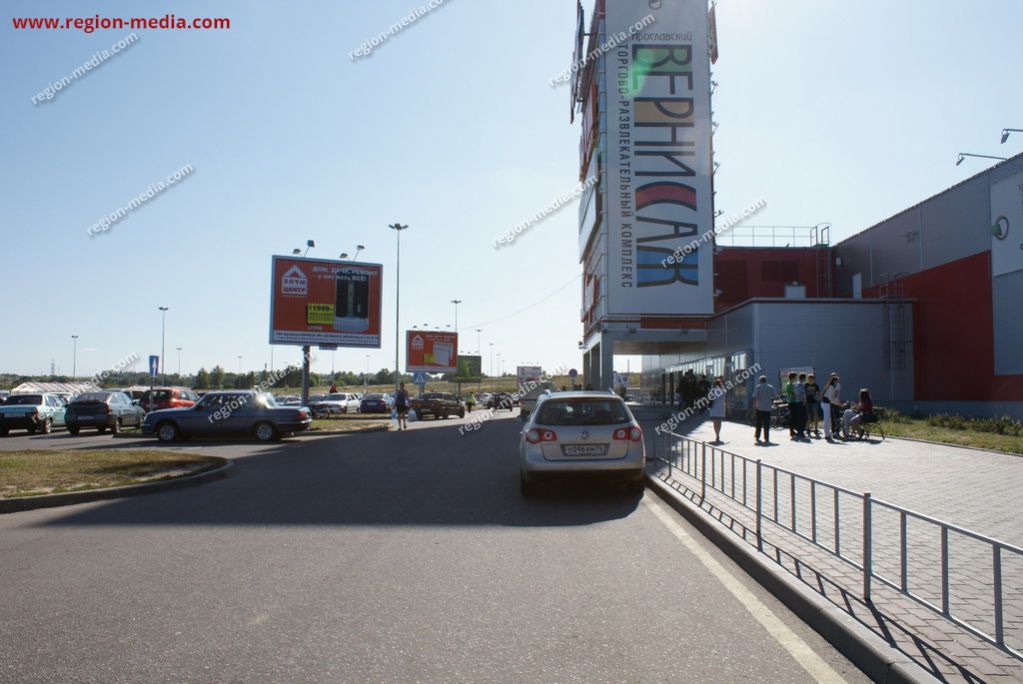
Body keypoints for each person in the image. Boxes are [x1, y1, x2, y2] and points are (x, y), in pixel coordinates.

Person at [750, 375, 778, 444]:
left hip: (759, 408)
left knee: (758, 423)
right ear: (766, 380)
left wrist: (754, 407)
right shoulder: (771, 387)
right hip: (768, 408)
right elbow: (776, 397)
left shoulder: (758, 387)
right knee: (767, 424)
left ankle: (757, 436)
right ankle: (766, 438)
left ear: (760, 381)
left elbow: (754, 397)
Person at [821, 374, 841, 441]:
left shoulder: (830, 386)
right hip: (826, 404)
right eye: (836, 381)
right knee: (827, 419)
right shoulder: (831, 387)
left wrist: (837, 403)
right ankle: (827, 435)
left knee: (828, 419)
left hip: (826, 403)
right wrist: (838, 404)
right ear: (834, 381)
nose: (837, 383)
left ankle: (828, 434)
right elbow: (831, 399)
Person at [708, 377, 727, 443]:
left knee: (715, 422)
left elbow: (709, 398)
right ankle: (718, 434)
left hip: (714, 408)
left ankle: (717, 434)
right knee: (719, 422)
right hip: (721, 408)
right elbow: (725, 399)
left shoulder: (712, 391)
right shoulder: (724, 391)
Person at [795, 373, 808, 439]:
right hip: (801, 402)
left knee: (802, 417)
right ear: (803, 378)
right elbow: (800, 393)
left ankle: (800, 431)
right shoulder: (800, 384)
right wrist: (804, 399)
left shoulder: (799, 384)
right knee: (803, 417)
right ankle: (800, 432)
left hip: (800, 402)